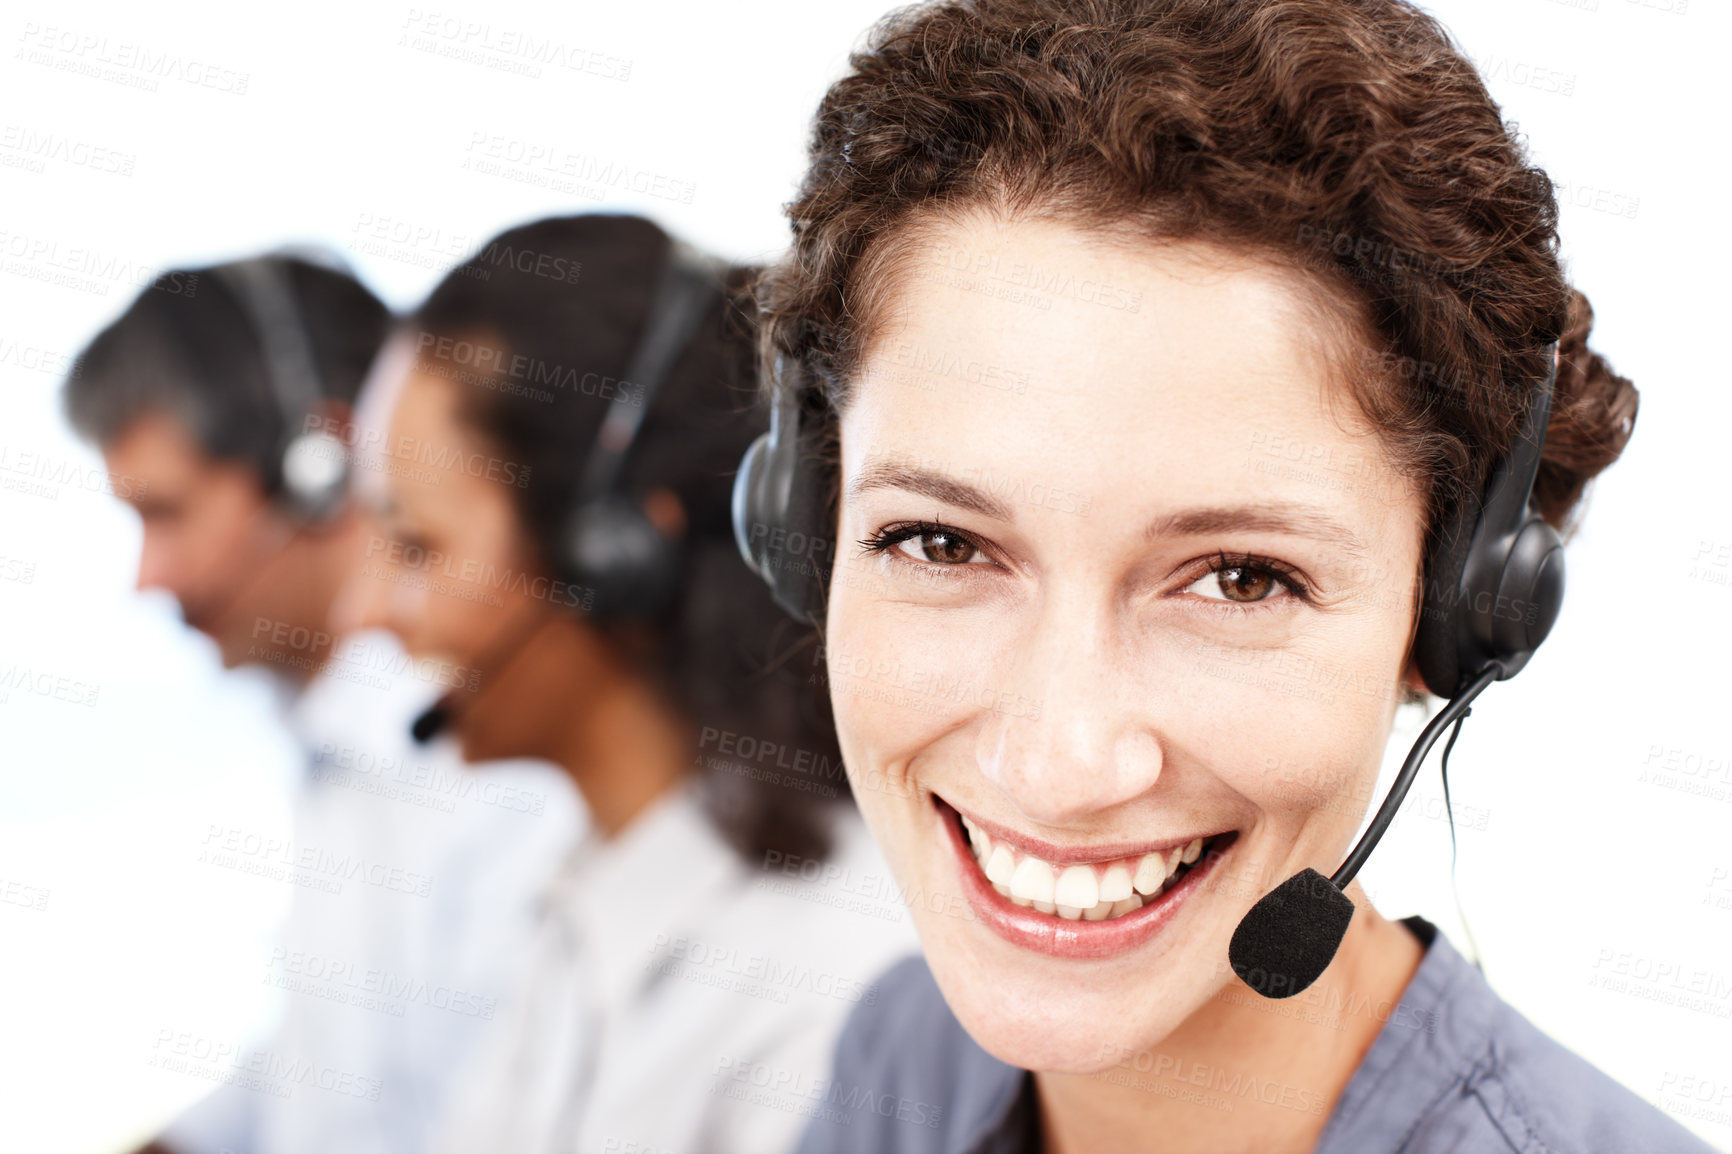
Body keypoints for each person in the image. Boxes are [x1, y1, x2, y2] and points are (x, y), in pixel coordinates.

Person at [729, 1, 1716, 1151]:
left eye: (1241, 578)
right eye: (940, 542)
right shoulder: (903, 1060)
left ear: (1454, 610)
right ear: (805, 518)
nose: (1058, 766)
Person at [348, 213, 916, 1154]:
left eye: (416, 546)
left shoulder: (828, 984)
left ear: (614, 554)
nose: (369, 610)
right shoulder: (563, 893)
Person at [63, 253, 578, 1154]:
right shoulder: (337, 754)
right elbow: (325, 1081)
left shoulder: (495, 767)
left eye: (166, 513)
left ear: (320, 464)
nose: (149, 579)